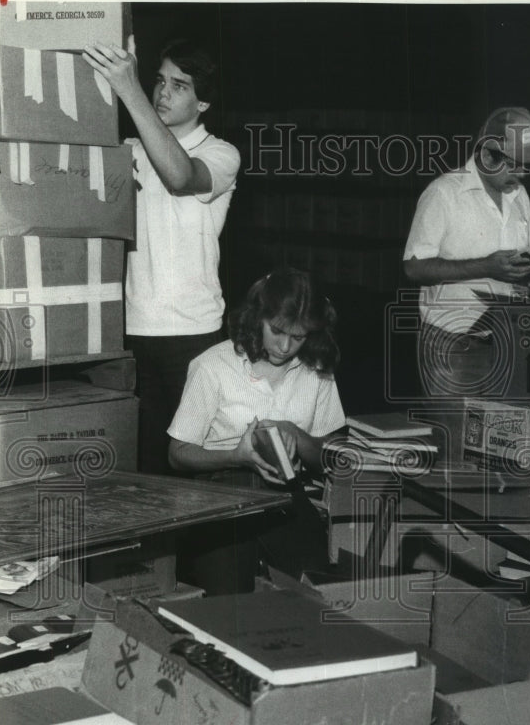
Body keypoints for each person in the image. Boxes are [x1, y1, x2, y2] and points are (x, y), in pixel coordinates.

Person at [82, 37, 241, 475]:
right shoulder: (129, 150)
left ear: (203, 102)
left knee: (190, 469)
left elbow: (179, 175)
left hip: (191, 335)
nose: (163, 92)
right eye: (158, 81)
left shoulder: (221, 153)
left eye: (180, 85)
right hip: (130, 333)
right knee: (139, 468)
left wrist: (129, 89)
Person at [167, 267, 346, 594]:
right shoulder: (213, 366)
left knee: (320, 591)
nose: (285, 346)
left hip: (286, 491)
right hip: (220, 492)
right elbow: (177, 454)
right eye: (276, 331)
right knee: (231, 600)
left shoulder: (316, 369)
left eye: (299, 336)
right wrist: (237, 456)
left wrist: (293, 432)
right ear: (257, 318)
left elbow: (333, 457)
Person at [402, 106, 530, 461]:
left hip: (503, 339)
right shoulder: (443, 194)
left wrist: (526, 277)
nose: (522, 174)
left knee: (496, 451)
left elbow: (520, 260)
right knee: (453, 450)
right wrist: (485, 267)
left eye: (527, 165)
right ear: (487, 153)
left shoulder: (519, 196)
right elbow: (414, 268)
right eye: (515, 164)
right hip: (451, 343)